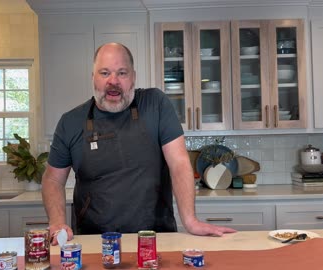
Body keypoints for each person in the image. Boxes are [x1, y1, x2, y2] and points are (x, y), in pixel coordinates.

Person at [41, 42, 236, 244]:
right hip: (94, 240)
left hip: (156, 237)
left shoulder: (156, 104)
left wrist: (190, 220)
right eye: (105, 73)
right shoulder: (70, 122)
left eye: (122, 73)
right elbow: (53, 180)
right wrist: (57, 222)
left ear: (133, 77)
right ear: (93, 78)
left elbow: (178, 163)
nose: (113, 81)